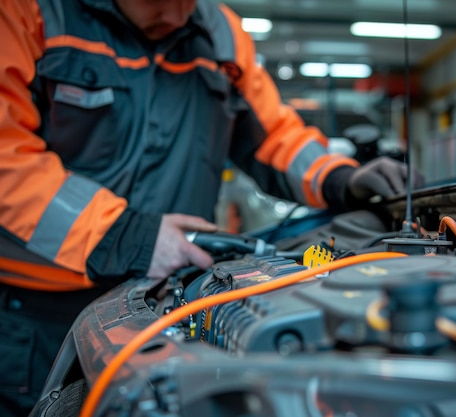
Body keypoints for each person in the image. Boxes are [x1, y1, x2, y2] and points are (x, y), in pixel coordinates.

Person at [0, 1, 419, 416]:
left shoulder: (220, 33)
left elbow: (273, 135)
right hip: (42, 314)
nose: (180, 14)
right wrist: (128, 236)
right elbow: (6, 156)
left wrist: (341, 178)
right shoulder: (28, 12)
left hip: (170, 297)